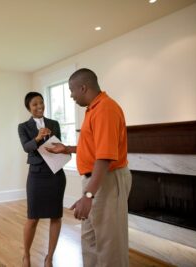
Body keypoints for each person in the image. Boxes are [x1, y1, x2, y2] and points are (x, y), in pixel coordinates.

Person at [46, 68, 132, 267]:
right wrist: (67, 148)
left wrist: (88, 196)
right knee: (90, 241)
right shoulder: (93, 109)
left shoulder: (105, 109)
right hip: (96, 182)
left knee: (110, 245)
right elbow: (95, 148)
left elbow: (105, 157)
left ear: (83, 87)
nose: (71, 95)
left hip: (107, 180)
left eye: (72, 90)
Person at [18, 92, 66, 267]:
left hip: (56, 175)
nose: (39, 107)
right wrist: (38, 138)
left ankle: (50, 257)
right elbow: (26, 147)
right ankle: (26, 255)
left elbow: (59, 146)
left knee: (56, 216)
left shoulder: (54, 123)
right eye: (35, 104)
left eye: (41, 103)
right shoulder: (23, 127)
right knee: (33, 218)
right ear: (29, 108)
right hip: (37, 174)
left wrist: (51, 140)